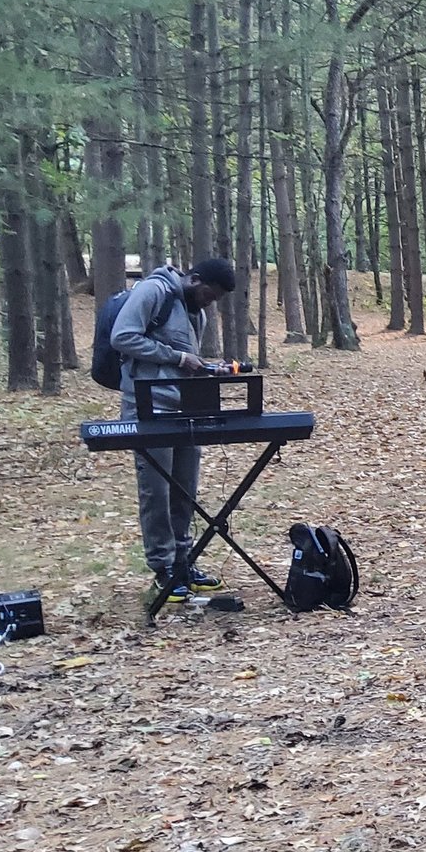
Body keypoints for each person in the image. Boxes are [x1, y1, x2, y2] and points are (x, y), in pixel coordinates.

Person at [111, 257, 238, 601]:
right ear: (195, 279)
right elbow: (122, 337)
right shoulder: (154, 291)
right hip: (147, 407)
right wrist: (179, 358)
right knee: (156, 490)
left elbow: (185, 361)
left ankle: (184, 561)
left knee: (185, 489)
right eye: (210, 295)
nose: (211, 303)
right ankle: (162, 567)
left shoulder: (198, 310)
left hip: (186, 408)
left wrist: (209, 368)